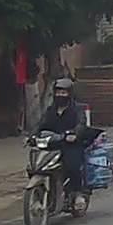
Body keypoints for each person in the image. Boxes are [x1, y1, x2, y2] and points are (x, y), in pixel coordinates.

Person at [34, 77, 88, 206]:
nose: (60, 95)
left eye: (63, 93)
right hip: (53, 143)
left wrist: (74, 134)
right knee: (36, 164)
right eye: (58, 92)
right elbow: (41, 125)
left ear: (69, 94)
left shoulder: (77, 109)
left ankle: (78, 193)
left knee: (72, 165)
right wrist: (32, 136)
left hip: (71, 144)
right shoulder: (50, 110)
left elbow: (81, 124)